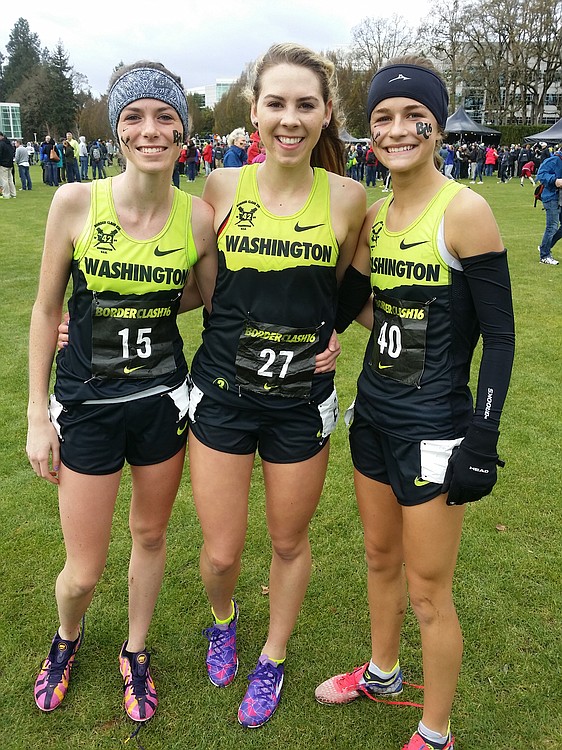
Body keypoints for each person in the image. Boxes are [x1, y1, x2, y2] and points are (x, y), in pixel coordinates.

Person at [314, 56, 515, 750]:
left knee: (429, 589)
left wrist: (481, 438)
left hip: (435, 428)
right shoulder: (373, 218)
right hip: (372, 416)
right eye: (382, 119)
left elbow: (502, 335)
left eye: (412, 116)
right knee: (377, 557)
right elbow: (346, 309)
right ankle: (383, 672)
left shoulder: (467, 211)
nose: (397, 130)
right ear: (370, 133)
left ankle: (436, 734)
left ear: (436, 123)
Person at [26, 60, 216, 724]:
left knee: (151, 534)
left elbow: (203, 300)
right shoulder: (74, 202)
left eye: (165, 117)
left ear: (183, 135)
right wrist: (35, 415)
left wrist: (318, 340)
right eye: (134, 116)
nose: (150, 129)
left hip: (161, 403)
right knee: (82, 571)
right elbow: (46, 309)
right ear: (116, 130)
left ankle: (134, 651)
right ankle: (66, 638)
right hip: (86, 408)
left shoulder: (197, 220)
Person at [188, 42, 365, 728]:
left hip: (300, 407)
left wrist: (337, 335)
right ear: (253, 113)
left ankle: (273, 655)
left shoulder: (350, 199)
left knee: (289, 543)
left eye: (305, 105)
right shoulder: (222, 188)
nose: (289, 119)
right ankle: (224, 620)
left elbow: (354, 291)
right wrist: (76, 318)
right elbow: (200, 289)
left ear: (326, 115)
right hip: (224, 396)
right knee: (220, 551)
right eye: (275, 104)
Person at [535, 148, 562, 265]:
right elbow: (541, 174)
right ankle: (544, 255)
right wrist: (555, 180)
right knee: (552, 226)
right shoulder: (554, 160)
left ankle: (545, 247)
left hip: (560, 198)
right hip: (551, 196)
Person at [0, 132, 17, 199]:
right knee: (10, 179)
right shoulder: (9, 144)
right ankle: (13, 193)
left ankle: (6, 194)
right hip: (10, 164)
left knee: (4, 180)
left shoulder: (1, 144)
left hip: (3, 164)